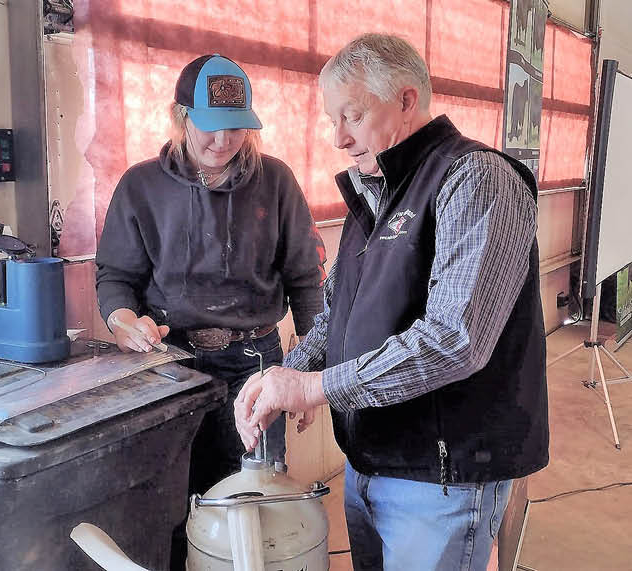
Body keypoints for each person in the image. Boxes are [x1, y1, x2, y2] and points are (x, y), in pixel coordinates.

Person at [234, 33, 547, 570]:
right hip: (370, 461)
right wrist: (287, 375)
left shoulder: (474, 179)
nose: (338, 138)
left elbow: (456, 340)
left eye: (352, 116)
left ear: (406, 100)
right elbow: (339, 313)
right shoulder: (376, 192)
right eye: (333, 120)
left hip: (441, 476)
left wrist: (315, 387)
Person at [95, 53, 326, 498]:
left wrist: (309, 373)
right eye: (209, 125)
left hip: (254, 362)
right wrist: (122, 320)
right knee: (174, 498)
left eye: (236, 127)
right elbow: (116, 276)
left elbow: (306, 281)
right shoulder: (141, 186)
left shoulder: (276, 181)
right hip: (170, 360)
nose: (223, 140)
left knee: (258, 499)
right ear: (181, 118)